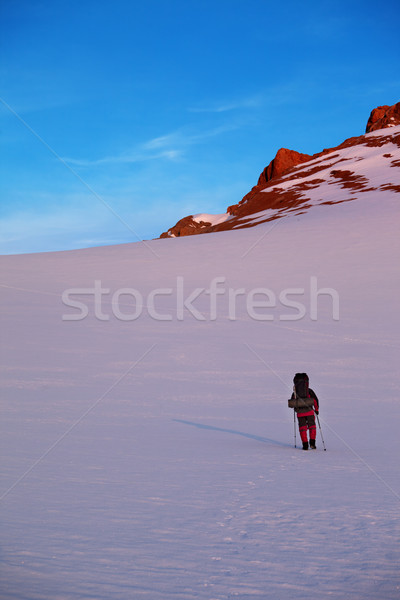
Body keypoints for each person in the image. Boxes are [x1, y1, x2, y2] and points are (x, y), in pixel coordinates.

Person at [291, 373, 319, 450]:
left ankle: (305, 444)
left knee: (302, 428)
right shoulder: (309, 391)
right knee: (312, 427)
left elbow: (293, 403)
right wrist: (316, 410)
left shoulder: (295, 393)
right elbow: (315, 401)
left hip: (300, 413)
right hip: (310, 412)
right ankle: (312, 443)